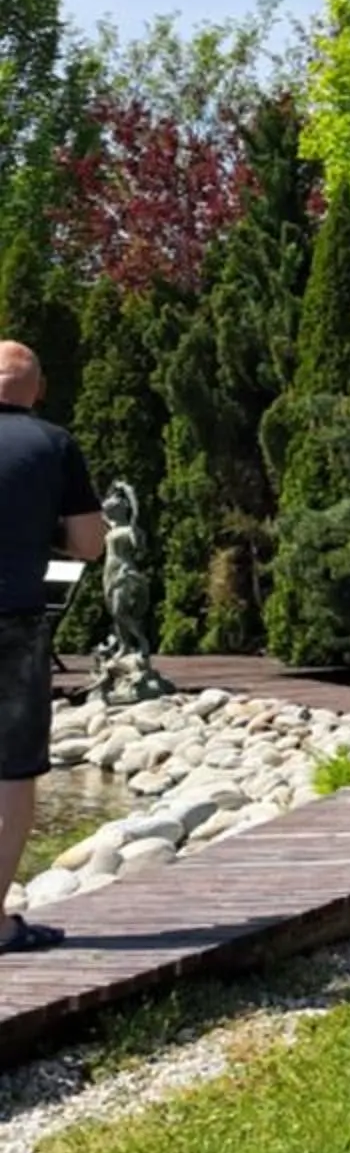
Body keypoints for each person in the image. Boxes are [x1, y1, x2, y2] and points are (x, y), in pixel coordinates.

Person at [0, 342, 107, 956]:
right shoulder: (54, 444)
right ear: (37, 390)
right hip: (12, 621)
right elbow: (90, 544)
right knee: (13, 773)